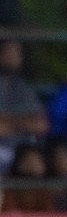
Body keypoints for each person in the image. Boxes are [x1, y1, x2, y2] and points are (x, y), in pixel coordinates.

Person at [0, 40, 48, 172]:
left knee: (34, 162)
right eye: (8, 52)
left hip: (22, 151)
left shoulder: (24, 87)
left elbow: (41, 126)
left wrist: (9, 122)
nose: (13, 57)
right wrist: (24, 122)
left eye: (16, 53)